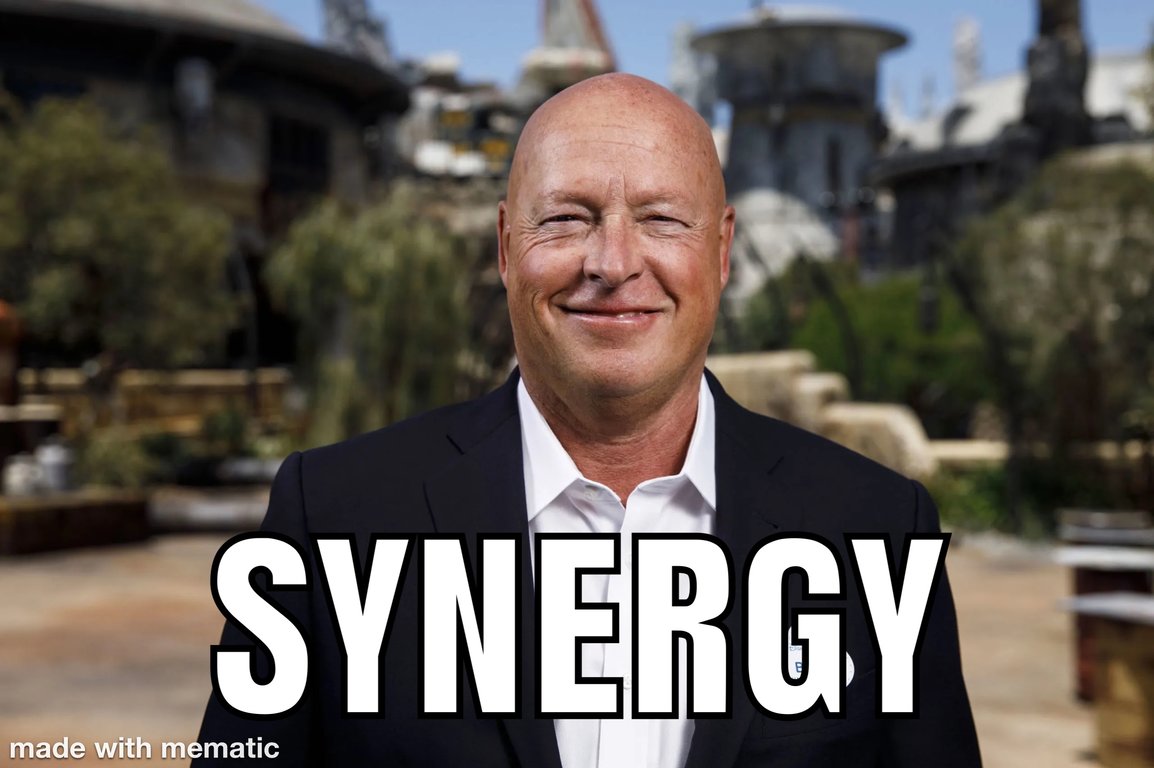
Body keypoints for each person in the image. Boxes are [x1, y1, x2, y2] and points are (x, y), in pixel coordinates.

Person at [195, 73, 981, 767]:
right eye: (568, 218)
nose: (612, 263)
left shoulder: (875, 534)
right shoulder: (332, 519)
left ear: (721, 251)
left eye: (661, 219)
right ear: (506, 247)